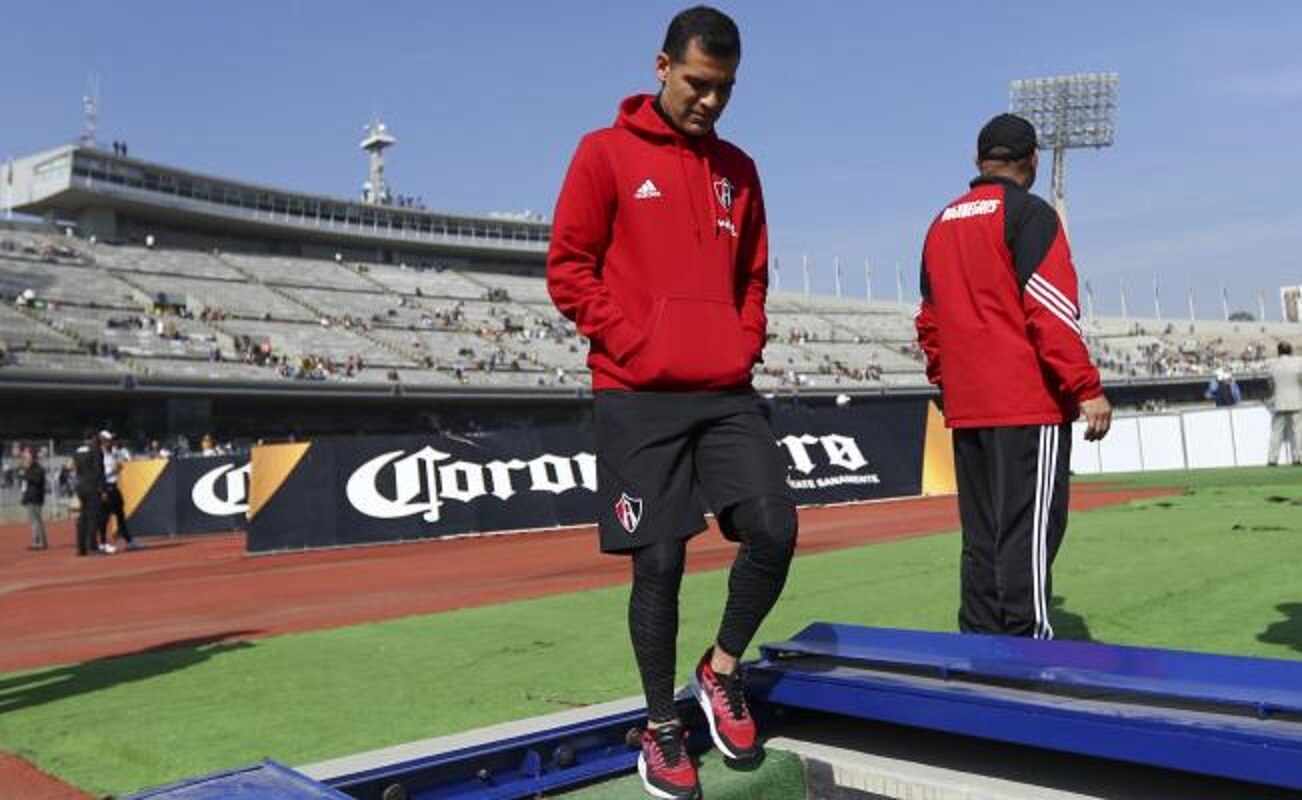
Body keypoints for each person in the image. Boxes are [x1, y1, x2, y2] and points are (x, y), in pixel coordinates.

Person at [547, 8, 794, 799]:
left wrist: (742, 338)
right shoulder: (603, 154)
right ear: (661, 66)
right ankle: (660, 730)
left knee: (774, 528)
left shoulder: (740, 170)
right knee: (659, 563)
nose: (711, 102)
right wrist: (638, 343)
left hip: (724, 391)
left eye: (725, 89)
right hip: (636, 395)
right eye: (698, 83)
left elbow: (754, 274)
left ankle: (720, 672)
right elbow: (568, 269)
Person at [915, 113, 1112, 640]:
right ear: (1032, 161)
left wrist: (950, 381)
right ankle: (1029, 651)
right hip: (1029, 404)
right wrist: (1086, 387)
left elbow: (929, 323)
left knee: (981, 536)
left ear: (979, 162)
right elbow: (1048, 311)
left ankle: (981, 647)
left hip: (968, 405)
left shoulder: (941, 224)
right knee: (1030, 531)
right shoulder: (1030, 215)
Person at [97, 431, 137, 552]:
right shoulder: (99, 455)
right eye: (108, 440)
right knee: (105, 516)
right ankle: (103, 543)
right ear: (102, 441)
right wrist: (114, 471)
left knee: (120, 514)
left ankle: (128, 540)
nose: (111, 442)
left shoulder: (113, 452)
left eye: (111, 440)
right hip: (105, 487)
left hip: (114, 486)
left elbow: (126, 458)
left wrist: (119, 466)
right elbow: (99, 475)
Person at [1267, 342, 1302, 466]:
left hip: (1279, 401)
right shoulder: (1298, 363)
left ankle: (1272, 459)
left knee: (1276, 432)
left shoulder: (1273, 364)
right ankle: (1297, 458)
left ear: (1279, 351)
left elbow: (1270, 384)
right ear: (1291, 351)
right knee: (1297, 432)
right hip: (1296, 401)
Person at [73, 432, 105, 557]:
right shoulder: (95, 450)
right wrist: (102, 488)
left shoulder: (77, 451)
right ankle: (92, 546)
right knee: (93, 517)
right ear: (93, 438)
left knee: (83, 517)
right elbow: (99, 470)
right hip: (92, 486)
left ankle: (81, 547)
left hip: (81, 485)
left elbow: (78, 470)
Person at [18, 447, 49, 550]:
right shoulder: (28, 469)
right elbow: (24, 485)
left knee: (36, 521)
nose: (25, 458)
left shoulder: (37, 468)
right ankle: (40, 541)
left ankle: (39, 542)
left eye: (27, 455)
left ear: (32, 456)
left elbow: (37, 480)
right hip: (30, 497)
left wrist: (25, 474)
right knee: (34, 521)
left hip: (36, 497)